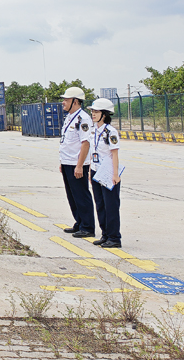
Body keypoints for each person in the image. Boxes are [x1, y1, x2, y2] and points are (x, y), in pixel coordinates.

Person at [58, 86, 96, 238]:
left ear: (75, 101)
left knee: (81, 195)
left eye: (66, 100)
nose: (63, 102)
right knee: (72, 195)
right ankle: (79, 222)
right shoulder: (69, 117)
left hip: (77, 164)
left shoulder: (83, 119)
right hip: (68, 162)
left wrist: (80, 165)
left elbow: (85, 143)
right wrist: (63, 162)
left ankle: (87, 227)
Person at [89, 98, 122, 248]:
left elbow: (114, 154)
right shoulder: (94, 130)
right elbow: (93, 152)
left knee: (111, 206)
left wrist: (115, 175)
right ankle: (105, 234)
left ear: (105, 114)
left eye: (96, 112)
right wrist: (90, 171)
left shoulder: (110, 132)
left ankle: (114, 237)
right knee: (100, 204)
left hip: (108, 173)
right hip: (96, 172)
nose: (93, 114)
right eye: (92, 111)